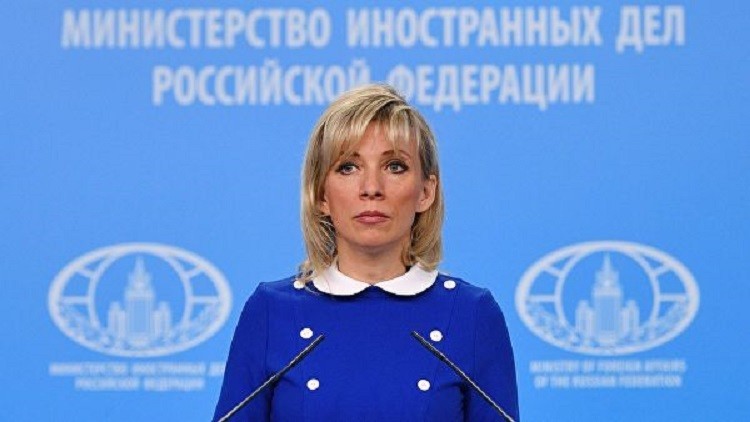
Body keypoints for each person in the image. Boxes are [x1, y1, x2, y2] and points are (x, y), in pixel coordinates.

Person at [213, 84, 520, 421]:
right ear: (320, 194)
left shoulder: (472, 314)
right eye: (348, 167)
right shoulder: (271, 311)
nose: (371, 188)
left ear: (426, 192)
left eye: (395, 166)